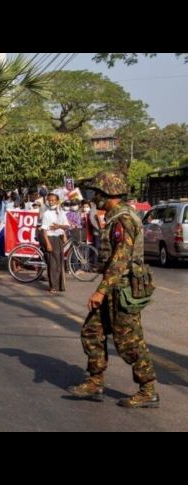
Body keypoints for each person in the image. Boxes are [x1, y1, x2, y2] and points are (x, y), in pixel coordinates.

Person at [68, 170, 159, 408]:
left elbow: (121, 259)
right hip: (113, 287)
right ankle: (95, 382)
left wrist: (100, 291)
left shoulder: (123, 219)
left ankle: (147, 389)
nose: (94, 197)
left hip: (124, 290)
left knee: (129, 342)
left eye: (97, 192)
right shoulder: (113, 216)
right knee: (91, 332)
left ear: (107, 193)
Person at [40, 193, 69, 294]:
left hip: (59, 239)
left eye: (53, 200)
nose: (51, 202)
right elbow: (44, 230)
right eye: (49, 200)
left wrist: (60, 227)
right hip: (50, 238)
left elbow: (66, 226)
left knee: (59, 263)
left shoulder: (61, 212)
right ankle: (53, 286)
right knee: (52, 264)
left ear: (57, 201)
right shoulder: (47, 214)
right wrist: (48, 244)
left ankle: (59, 285)